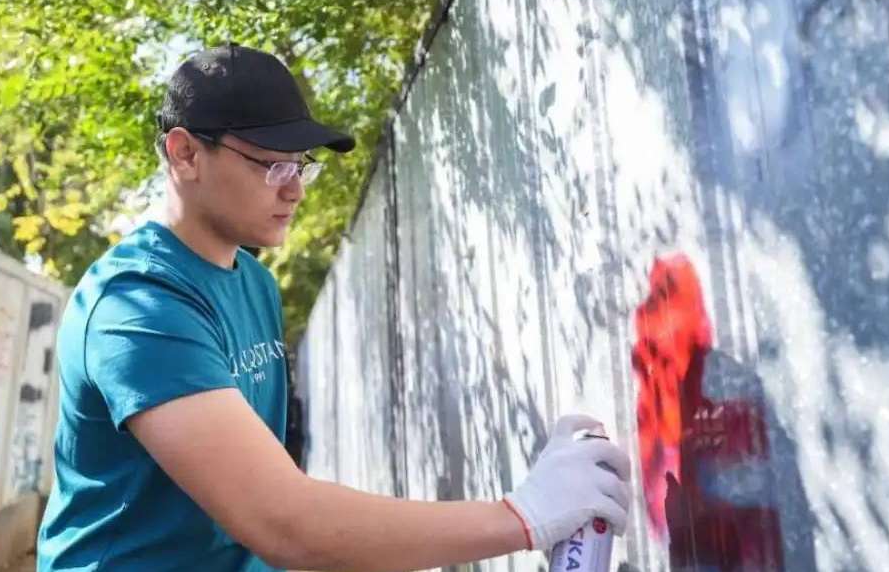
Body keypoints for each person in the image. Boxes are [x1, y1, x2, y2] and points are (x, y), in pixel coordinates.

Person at [36, 43, 633, 571]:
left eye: (301, 165)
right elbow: (284, 522)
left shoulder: (253, 283)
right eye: (272, 164)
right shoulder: (135, 307)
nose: (294, 188)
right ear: (185, 154)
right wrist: (524, 516)